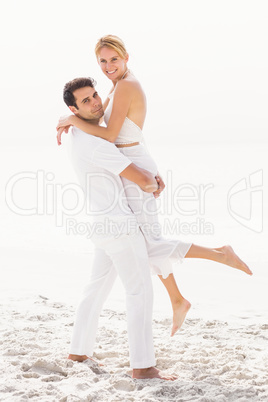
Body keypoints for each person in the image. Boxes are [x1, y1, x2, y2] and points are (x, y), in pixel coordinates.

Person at [57, 35, 252, 337]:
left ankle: (219, 254)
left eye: (113, 59)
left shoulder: (125, 86)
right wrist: (150, 165)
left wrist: (70, 118)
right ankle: (177, 299)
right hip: (134, 161)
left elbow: (109, 135)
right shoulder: (117, 86)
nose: (108, 66)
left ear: (126, 57)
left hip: (133, 165)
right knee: (148, 240)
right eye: (103, 61)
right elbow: (126, 130)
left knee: (149, 243)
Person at [61, 76, 178, 380]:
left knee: (96, 287)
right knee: (139, 292)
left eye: (95, 95)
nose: (96, 102)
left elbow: (132, 167)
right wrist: (152, 178)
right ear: (74, 109)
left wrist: (147, 174)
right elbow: (142, 180)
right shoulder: (96, 143)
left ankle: (78, 350)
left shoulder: (78, 134)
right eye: (86, 101)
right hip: (120, 226)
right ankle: (143, 366)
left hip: (101, 224)